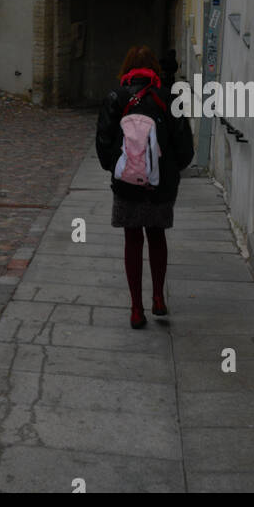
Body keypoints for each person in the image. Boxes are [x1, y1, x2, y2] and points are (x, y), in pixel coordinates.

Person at [95, 45, 194, 329]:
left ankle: (136, 309)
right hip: (160, 183)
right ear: (155, 69)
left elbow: (103, 143)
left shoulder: (116, 97)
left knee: (132, 240)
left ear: (127, 69)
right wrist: (172, 170)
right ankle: (159, 297)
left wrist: (117, 167)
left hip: (127, 183)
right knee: (157, 236)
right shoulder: (169, 97)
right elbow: (184, 147)